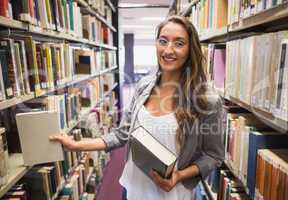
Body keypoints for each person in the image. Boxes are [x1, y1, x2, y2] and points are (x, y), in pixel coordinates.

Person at [50, 15, 224, 200]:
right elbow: (121, 134)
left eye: (179, 43)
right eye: (163, 41)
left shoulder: (206, 100)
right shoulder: (143, 86)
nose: (168, 50)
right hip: (131, 189)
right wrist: (76, 145)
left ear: (191, 49)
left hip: (172, 194)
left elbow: (213, 155)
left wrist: (179, 176)